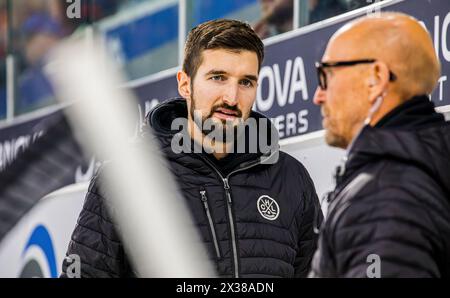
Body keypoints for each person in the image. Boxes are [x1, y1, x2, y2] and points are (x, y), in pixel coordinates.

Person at [61, 19, 322, 278]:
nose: (232, 98)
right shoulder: (125, 178)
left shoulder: (290, 178)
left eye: (246, 82)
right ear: (185, 84)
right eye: (218, 77)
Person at [310, 12, 450, 277]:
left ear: (375, 78)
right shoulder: (424, 171)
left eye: (326, 75)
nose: (319, 95)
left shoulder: (382, 195)